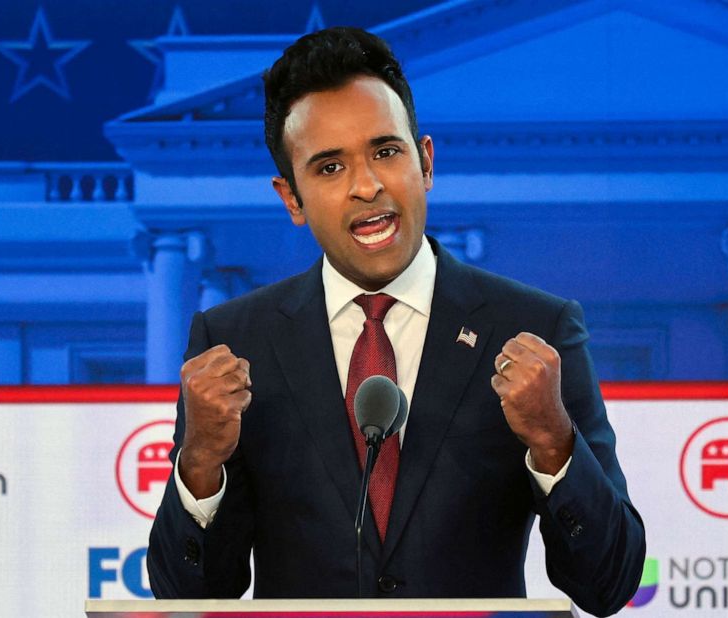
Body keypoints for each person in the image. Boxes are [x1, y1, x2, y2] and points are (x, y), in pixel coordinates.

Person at [147, 26, 645, 616]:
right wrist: (201, 462)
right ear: (292, 199)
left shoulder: (533, 328)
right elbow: (189, 598)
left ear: (425, 161)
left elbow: (609, 585)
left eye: (386, 151)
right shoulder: (235, 341)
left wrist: (555, 442)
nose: (367, 185)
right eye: (329, 168)